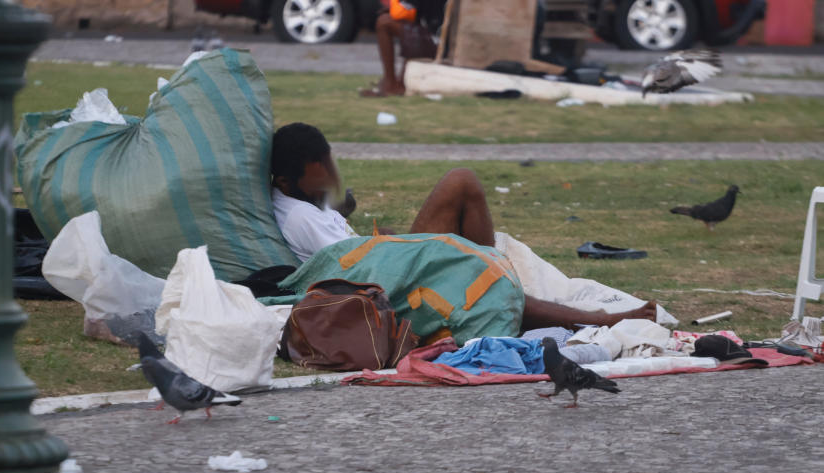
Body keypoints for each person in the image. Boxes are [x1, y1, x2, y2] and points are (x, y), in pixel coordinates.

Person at [271, 122, 658, 332]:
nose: (330, 183)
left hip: (384, 267)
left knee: (461, 184)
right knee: (463, 195)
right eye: (318, 178)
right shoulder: (300, 216)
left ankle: (499, 284)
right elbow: (350, 273)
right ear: (286, 182)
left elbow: (352, 246)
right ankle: (602, 320)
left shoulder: (307, 200)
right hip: (388, 293)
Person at [361, 0, 452, 98]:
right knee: (409, 27)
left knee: (383, 23)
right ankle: (398, 82)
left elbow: (398, 13)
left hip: (435, 40)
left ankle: (390, 83)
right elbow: (413, 12)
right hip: (443, 34)